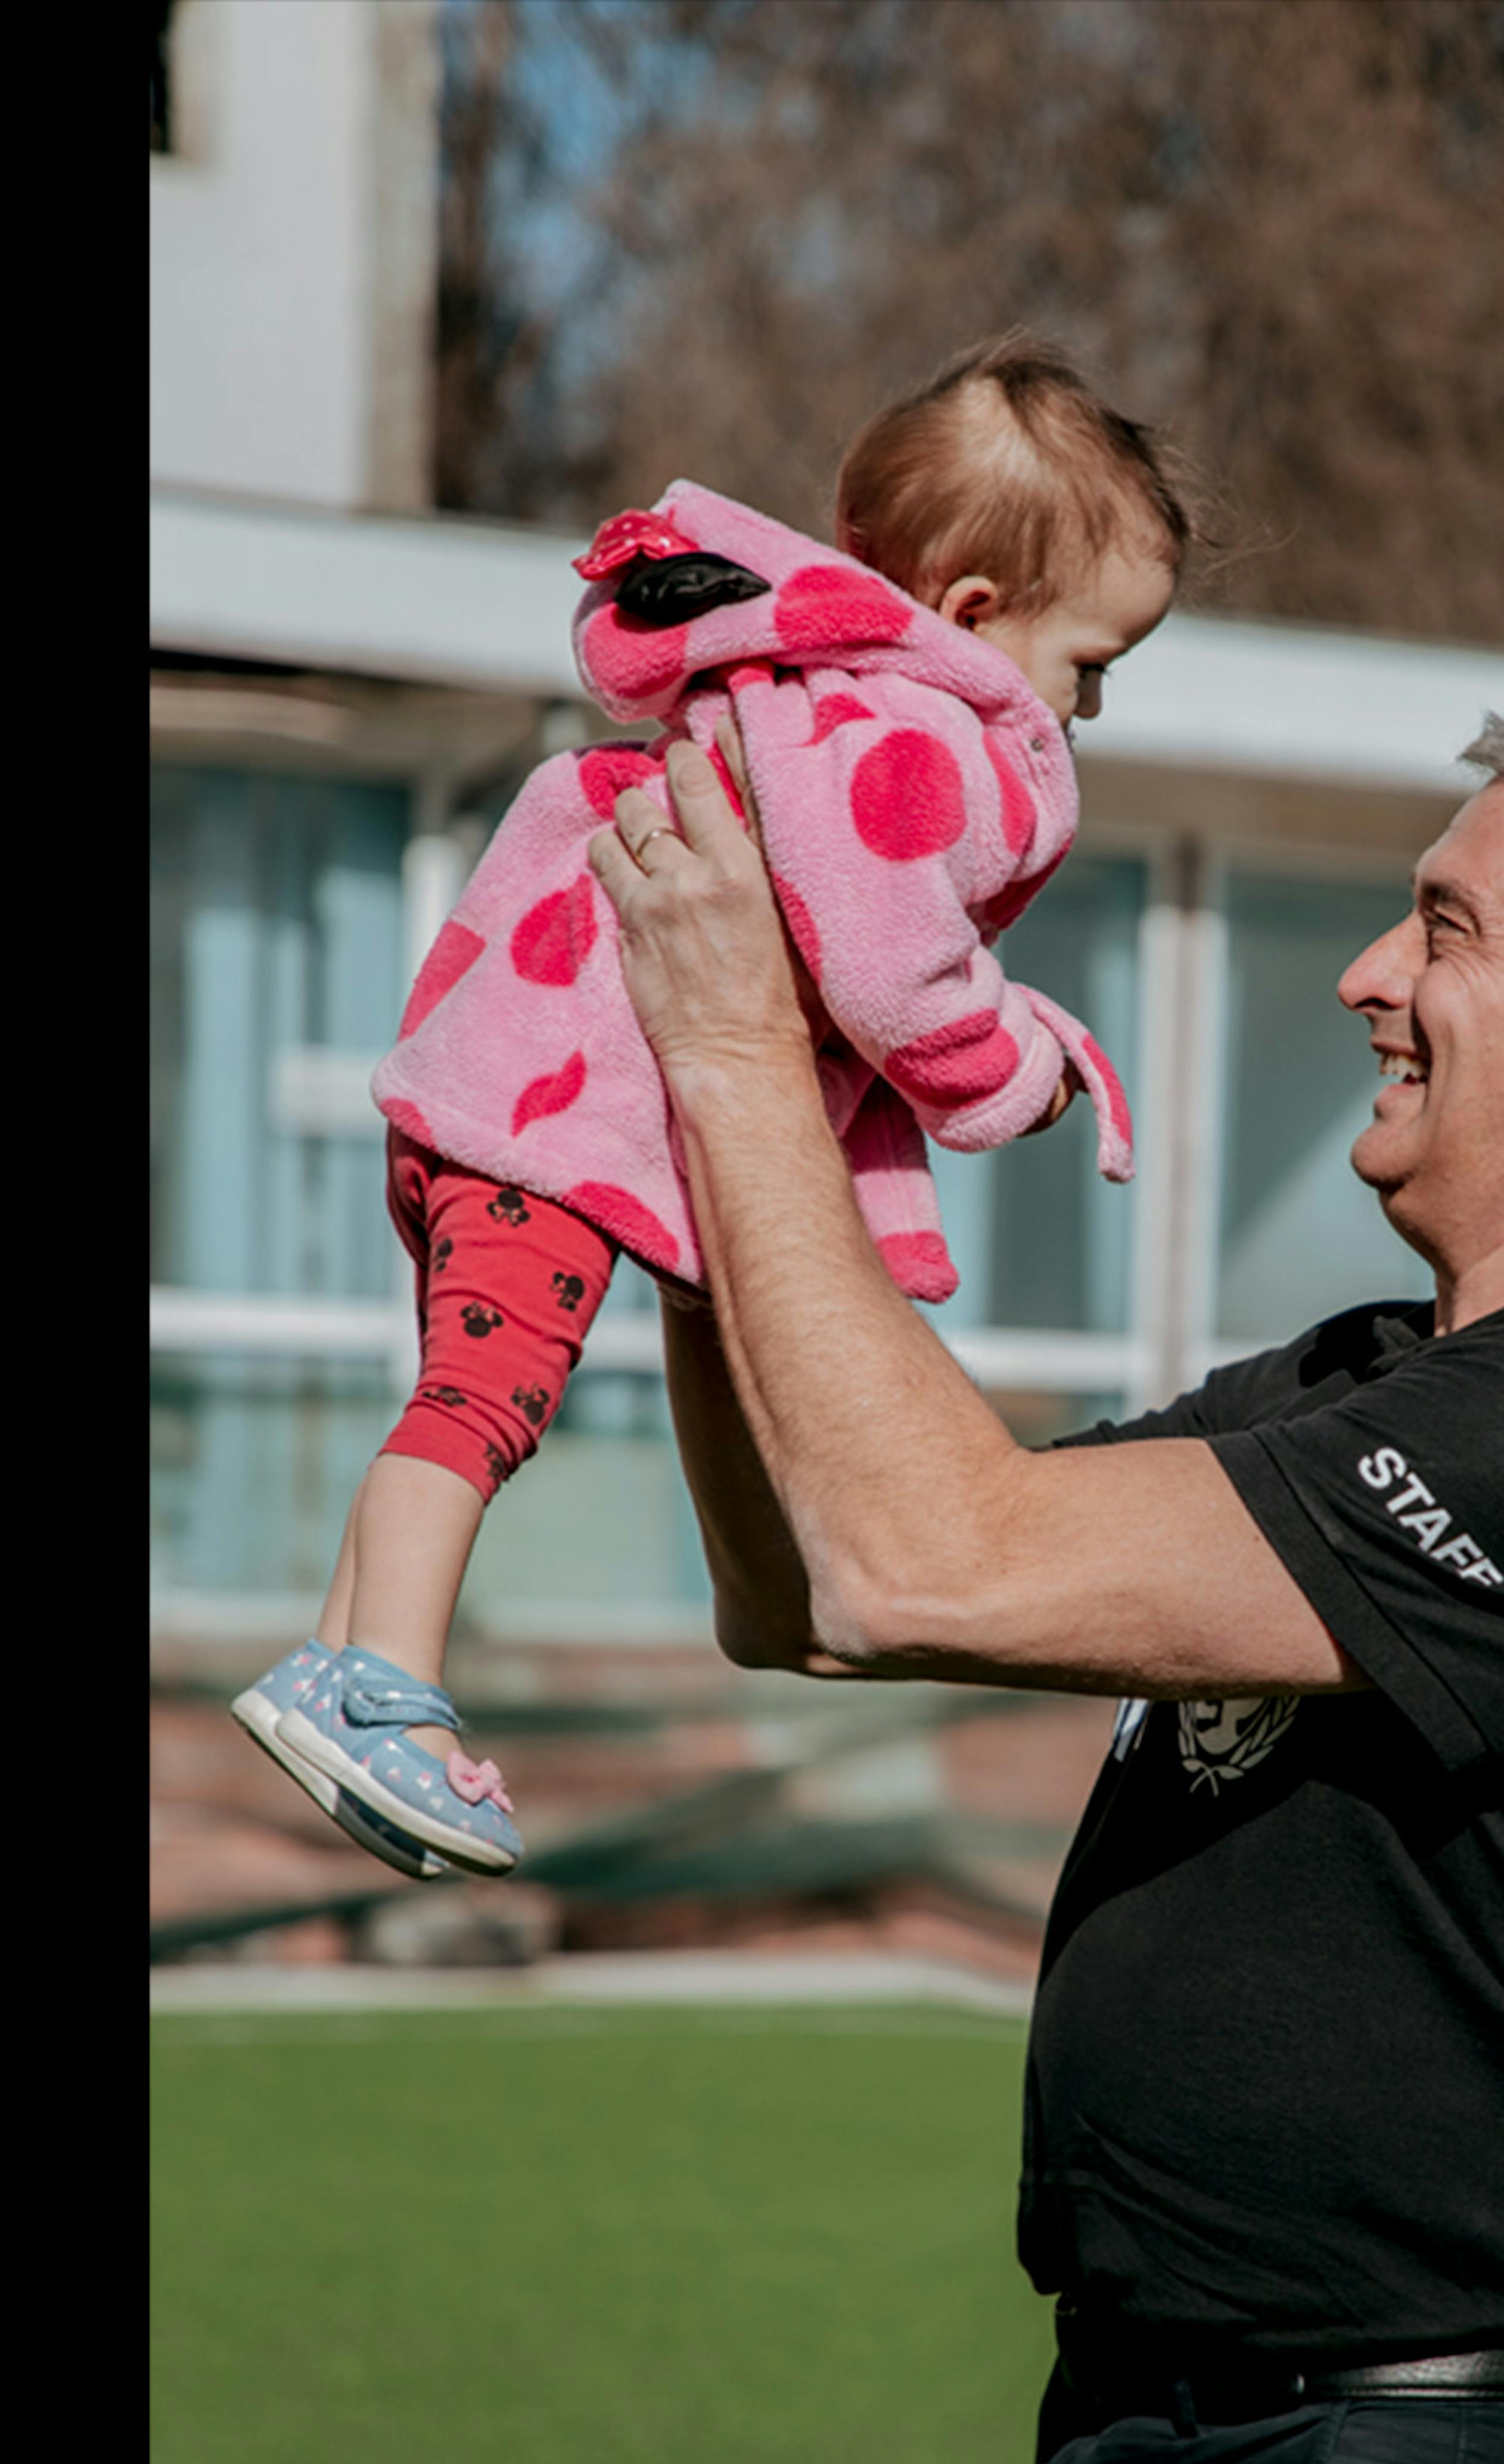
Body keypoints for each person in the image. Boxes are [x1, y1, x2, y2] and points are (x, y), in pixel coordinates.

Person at [586, 702, 1504, 2464]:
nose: (1371, 974)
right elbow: (818, 1594)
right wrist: (698, 1193)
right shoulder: (1368, 1375)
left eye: (1445, 928)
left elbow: (933, 1554)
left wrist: (741, 1057)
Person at [225, 334, 1183, 1882]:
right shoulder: (906, 734)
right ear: (975, 617)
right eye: (1092, 669)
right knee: (482, 1405)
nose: (1089, 713)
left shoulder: (791, 692)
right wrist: (1017, 1071)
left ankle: (341, 1658)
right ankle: (379, 1688)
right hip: (560, 1099)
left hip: (504, 1079)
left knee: (464, 1386)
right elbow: (892, 966)